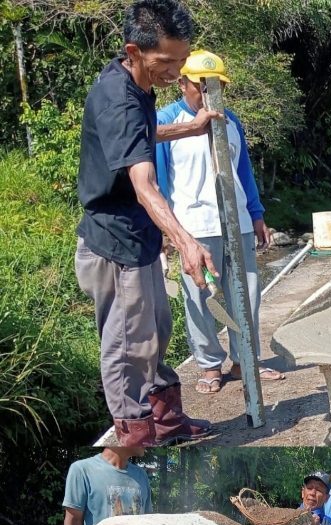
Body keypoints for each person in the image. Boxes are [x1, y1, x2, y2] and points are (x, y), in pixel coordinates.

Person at [75, 0, 220, 447]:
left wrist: (189, 129)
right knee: (128, 344)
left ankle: (167, 421)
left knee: (157, 330)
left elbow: (143, 131)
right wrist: (185, 240)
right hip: (113, 242)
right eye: (167, 62)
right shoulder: (117, 95)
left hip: (138, 236)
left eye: (182, 60)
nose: (177, 72)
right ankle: (134, 436)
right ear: (133, 50)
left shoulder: (138, 85)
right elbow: (144, 183)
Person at [155, 50, 284, 396]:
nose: (207, 92)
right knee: (198, 298)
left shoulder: (231, 121)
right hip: (193, 226)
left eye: (215, 85)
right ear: (182, 83)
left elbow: (244, 172)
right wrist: (168, 232)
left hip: (237, 221)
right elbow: (158, 181)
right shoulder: (167, 121)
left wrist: (256, 214)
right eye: (200, 85)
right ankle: (209, 364)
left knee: (248, 294)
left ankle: (246, 361)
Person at [62, 448, 152, 525]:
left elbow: (147, 523)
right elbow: (72, 524)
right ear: (122, 432)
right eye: (140, 430)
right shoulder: (82, 470)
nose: (148, 439)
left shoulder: (141, 475)